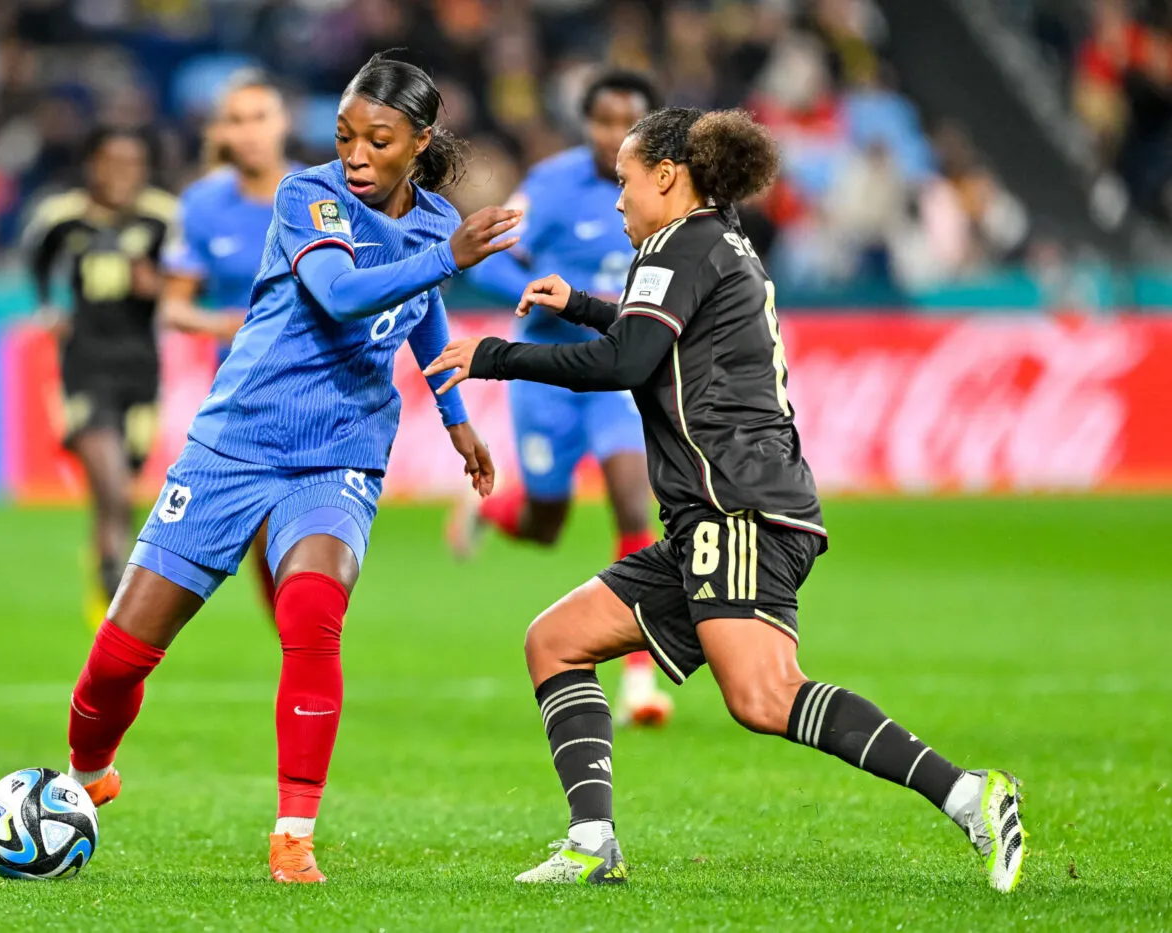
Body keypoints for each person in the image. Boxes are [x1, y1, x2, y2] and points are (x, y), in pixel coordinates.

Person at [424, 108, 1026, 891]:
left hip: (733, 507)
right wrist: (579, 302)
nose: (618, 202)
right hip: (721, 511)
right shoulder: (713, 241)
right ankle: (592, 841)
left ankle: (969, 793)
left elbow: (628, 360)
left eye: (626, 181)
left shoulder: (675, 245)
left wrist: (496, 356)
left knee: (765, 694)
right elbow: (661, 336)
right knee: (556, 640)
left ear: (667, 177)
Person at [62, 53, 519, 885]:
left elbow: (422, 316)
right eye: (345, 135)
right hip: (234, 446)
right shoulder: (307, 196)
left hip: (341, 452)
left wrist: (456, 418)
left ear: (418, 142)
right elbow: (344, 293)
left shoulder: (431, 221)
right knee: (121, 656)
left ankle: (293, 833)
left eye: (377, 141)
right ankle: (88, 769)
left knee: (312, 612)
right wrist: (449, 253)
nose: (355, 155)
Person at [455, 71, 672, 728]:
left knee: (633, 498)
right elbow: (489, 253)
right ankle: (495, 513)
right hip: (548, 372)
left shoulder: (666, 186)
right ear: (587, 125)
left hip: (616, 370)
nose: (614, 135)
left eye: (627, 122)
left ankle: (639, 677)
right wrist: (520, 290)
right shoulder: (549, 186)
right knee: (546, 524)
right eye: (603, 122)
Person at [160, 68, 300, 615]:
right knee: (270, 540)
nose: (249, 133)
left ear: (283, 122)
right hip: (244, 399)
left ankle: (305, 650)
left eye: (259, 118)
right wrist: (227, 325)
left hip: (320, 389)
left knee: (308, 540)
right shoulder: (200, 205)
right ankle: (300, 653)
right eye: (236, 121)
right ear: (219, 131)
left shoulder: (323, 194)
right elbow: (173, 305)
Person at [23, 127, 175, 626]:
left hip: (141, 367)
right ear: (91, 165)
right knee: (109, 483)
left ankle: (103, 569)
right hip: (85, 364)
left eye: (132, 163)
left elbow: (191, 279)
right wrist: (48, 308)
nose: (121, 174)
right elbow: (37, 259)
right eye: (111, 162)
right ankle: (117, 604)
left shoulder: (163, 218)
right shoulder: (63, 217)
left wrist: (160, 289)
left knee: (124, 489)